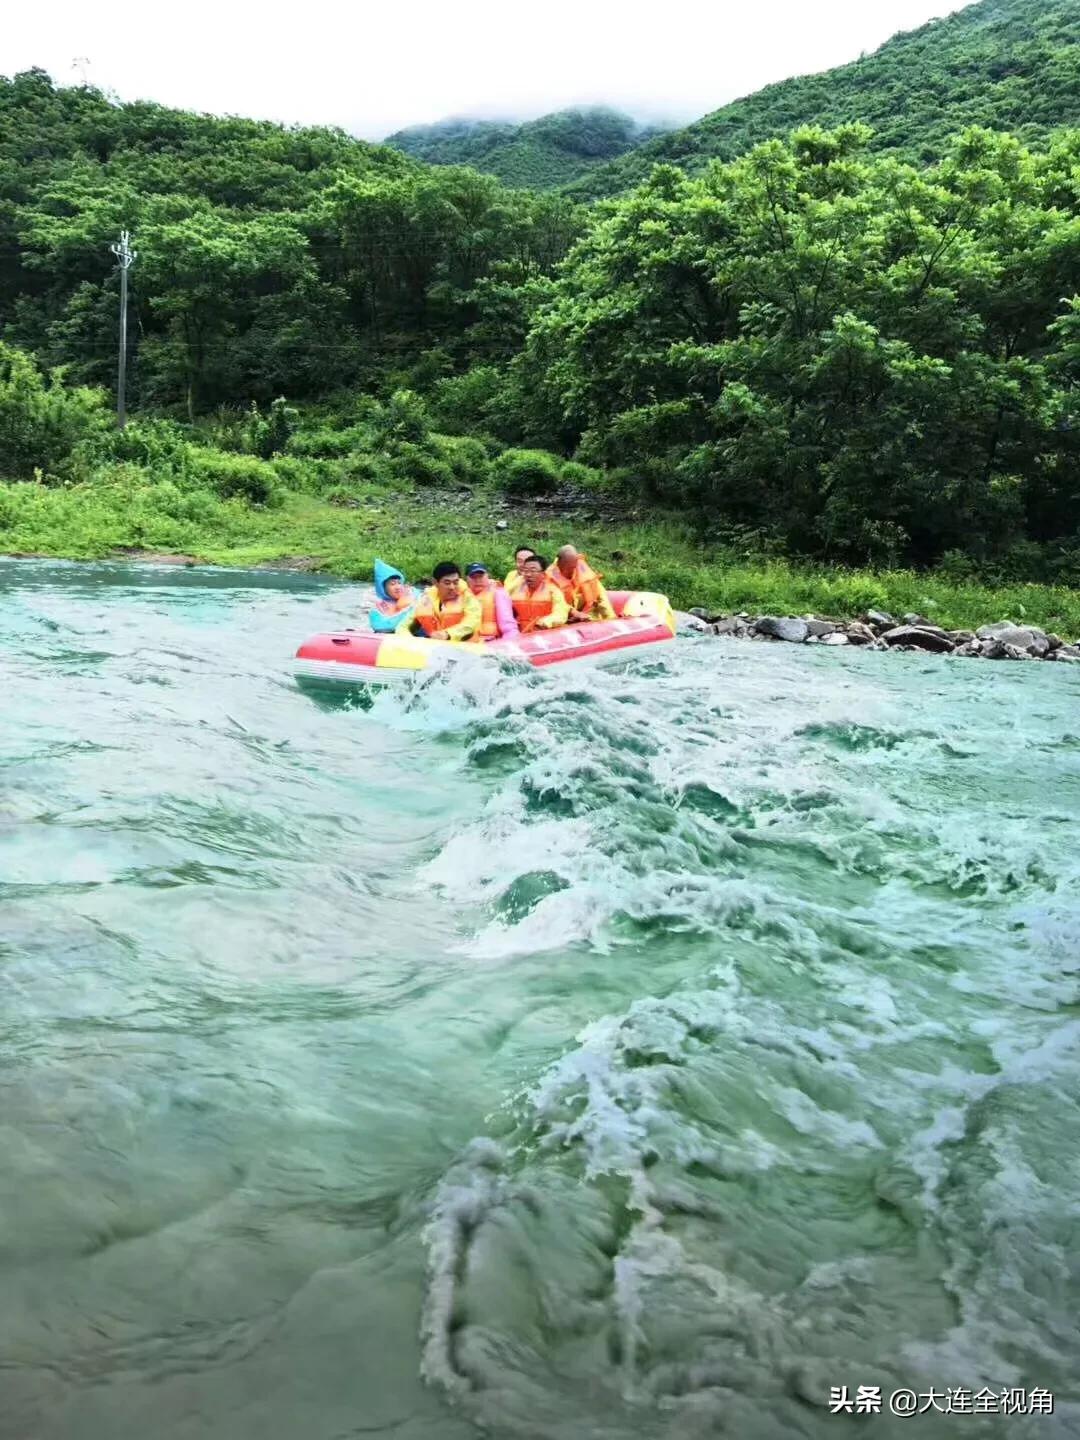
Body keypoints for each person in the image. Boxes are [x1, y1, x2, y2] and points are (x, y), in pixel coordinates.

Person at [398, 561, 482, 642]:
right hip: (435, 647)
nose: (452, 587)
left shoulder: (468, 597)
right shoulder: (426, 597)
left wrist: (448, 634)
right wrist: (408, 639)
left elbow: (472, 622)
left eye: (455, 582)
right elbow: (403, 625)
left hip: (466, 648)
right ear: (435, 582)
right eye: (447, 583)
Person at [547, 545, 616, 623]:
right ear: (559, 564)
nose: (570, 572)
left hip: (585, 614)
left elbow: (601, 598)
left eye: (572, 568)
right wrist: (574, 613)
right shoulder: (549, 576)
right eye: (567, 569)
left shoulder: (585, 574)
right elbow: (556, 603)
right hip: (563, 615)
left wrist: (611, 619)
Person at [511, 553, 569, 633]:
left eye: (533, 571)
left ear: (543, 574)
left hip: (544, 634)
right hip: (520, 635)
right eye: (526, 571)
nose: (528, 574)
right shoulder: (515, 587)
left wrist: (545, 622)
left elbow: (561, 614)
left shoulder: (553, 591)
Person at [465, 563, 519, 641]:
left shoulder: (498, 593)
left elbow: (508, 626)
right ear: (466, 579)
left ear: (487, 576)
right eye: (473, 577)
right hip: (467, 644)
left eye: (481, 576)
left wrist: (510, 643)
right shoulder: (463, 595)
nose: (477, 580)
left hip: (491, 643)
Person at [369, 558, 416, 633]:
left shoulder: (411, 594)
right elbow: (381, 626)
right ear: (383, 588)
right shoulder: (380, 606)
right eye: (392, 584)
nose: (398, 587)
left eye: (399, 583)